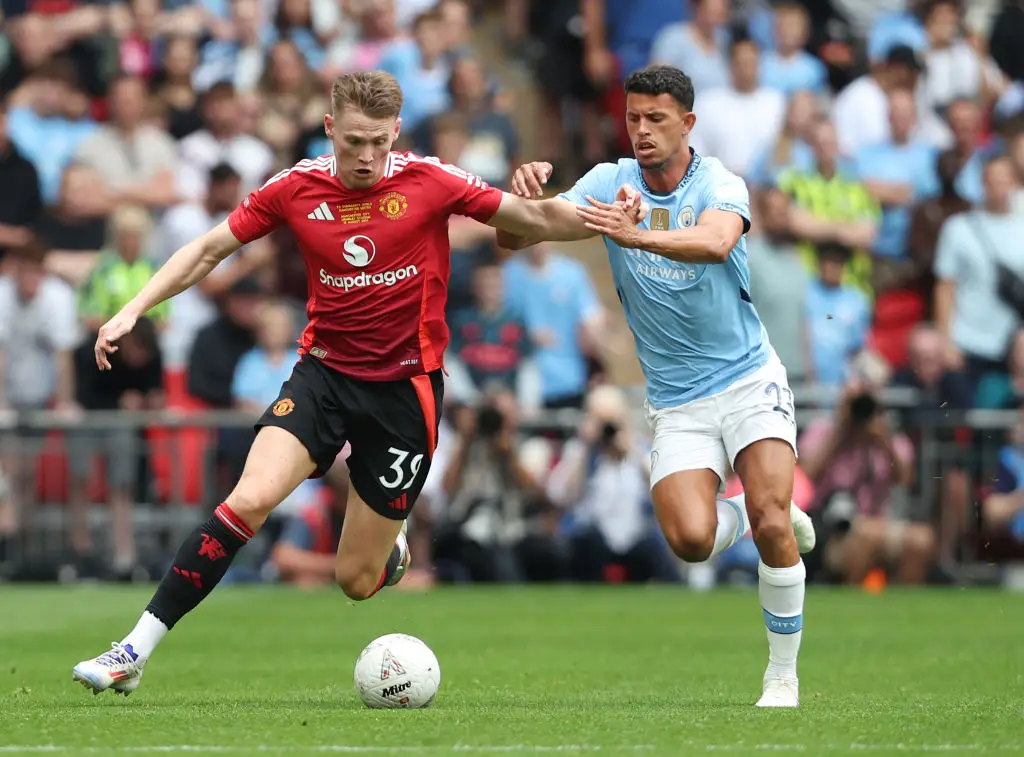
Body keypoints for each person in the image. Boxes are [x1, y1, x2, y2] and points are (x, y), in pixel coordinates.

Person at [71, 70, 646, 696]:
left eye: (378, 141)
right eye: (353, 142)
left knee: (355, 579)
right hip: (322, 376)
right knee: (250, 498)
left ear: (396, 131)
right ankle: (133, 650)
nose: (367, 157)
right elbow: (210, 249)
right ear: (329, 130)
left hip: (405, 394)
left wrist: (611, 218)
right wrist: (134, 309)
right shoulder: (296, 187)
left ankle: (387, 555)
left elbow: (534, 217)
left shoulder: (430, 180)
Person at [499, 64, 816, 708]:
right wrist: (525, 202)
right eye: (632, 118)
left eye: (656, 119)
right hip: (677, 399)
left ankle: (781, 675)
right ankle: (764, 514)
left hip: (748, 376)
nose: (641, 131)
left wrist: (635, 232)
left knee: (770, 519)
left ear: (687, 124)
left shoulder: (720, 182)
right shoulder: (610, 184)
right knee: (691, 542)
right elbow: (516, 238)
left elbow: (718, 242)